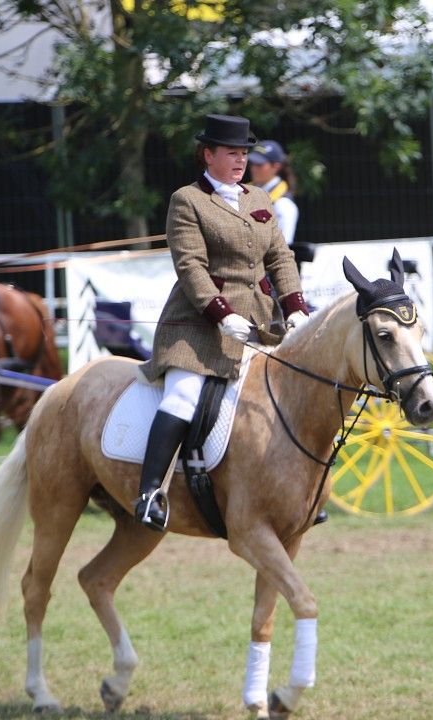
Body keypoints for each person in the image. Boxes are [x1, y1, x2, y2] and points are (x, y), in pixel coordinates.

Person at [135, 114, 310, 532]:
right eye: (231, 153)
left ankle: (301, 490)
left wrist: (295, 305)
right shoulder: (187, 200)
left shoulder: (259, 199)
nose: (240, 160)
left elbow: (280, 258)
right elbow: (190, 265)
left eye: (244, 153)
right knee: (183, 396)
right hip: (197, 328)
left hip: (259, 324)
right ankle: (149, 493)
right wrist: (221, 312)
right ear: (208, 154)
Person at [247, 140, 299, 245]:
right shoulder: (243, 191)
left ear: (275, 166)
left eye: (259, 164)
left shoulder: (283, 205)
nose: (253, 168)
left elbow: (283, 246)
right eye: (253, 163)